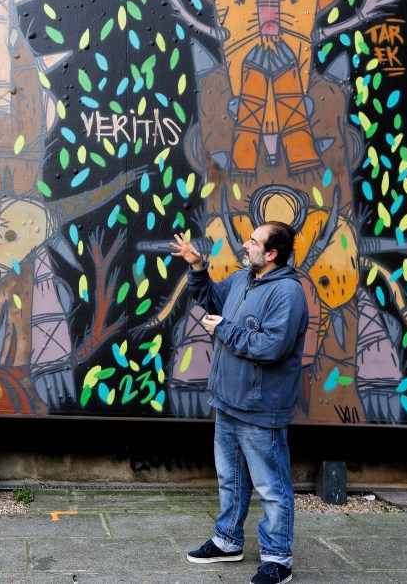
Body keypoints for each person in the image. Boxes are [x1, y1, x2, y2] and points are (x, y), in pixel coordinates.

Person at [169, 222, 308, 584]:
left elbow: (272, 347)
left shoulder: (288, 293)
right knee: (230, 480)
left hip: (261, 410)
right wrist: (196, 266)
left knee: (271, 488)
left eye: (253, 242)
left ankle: (277, 559)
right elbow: (210, 298)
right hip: (228, 401)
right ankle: (227, 541)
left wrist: (224, 329)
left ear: (272, 253)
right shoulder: (243, 278)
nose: (245, 245)